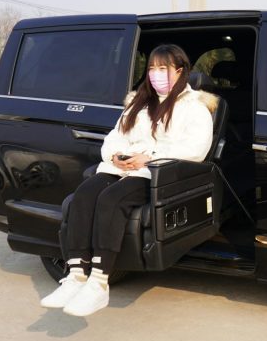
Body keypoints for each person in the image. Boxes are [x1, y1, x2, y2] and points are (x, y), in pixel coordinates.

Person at [40, 44, 214, 316]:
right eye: (152, 69)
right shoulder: (138, 104)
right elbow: (115, 137)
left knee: (111, 200)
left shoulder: (195, 108)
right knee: (83, 195)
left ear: (180, 71)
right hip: (119, 168)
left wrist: (150, 158)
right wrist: (117, 155)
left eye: (163, 68)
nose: (156, 74)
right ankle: (75, 276)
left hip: (154, 173)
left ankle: (98, 282)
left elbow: (195, 149)